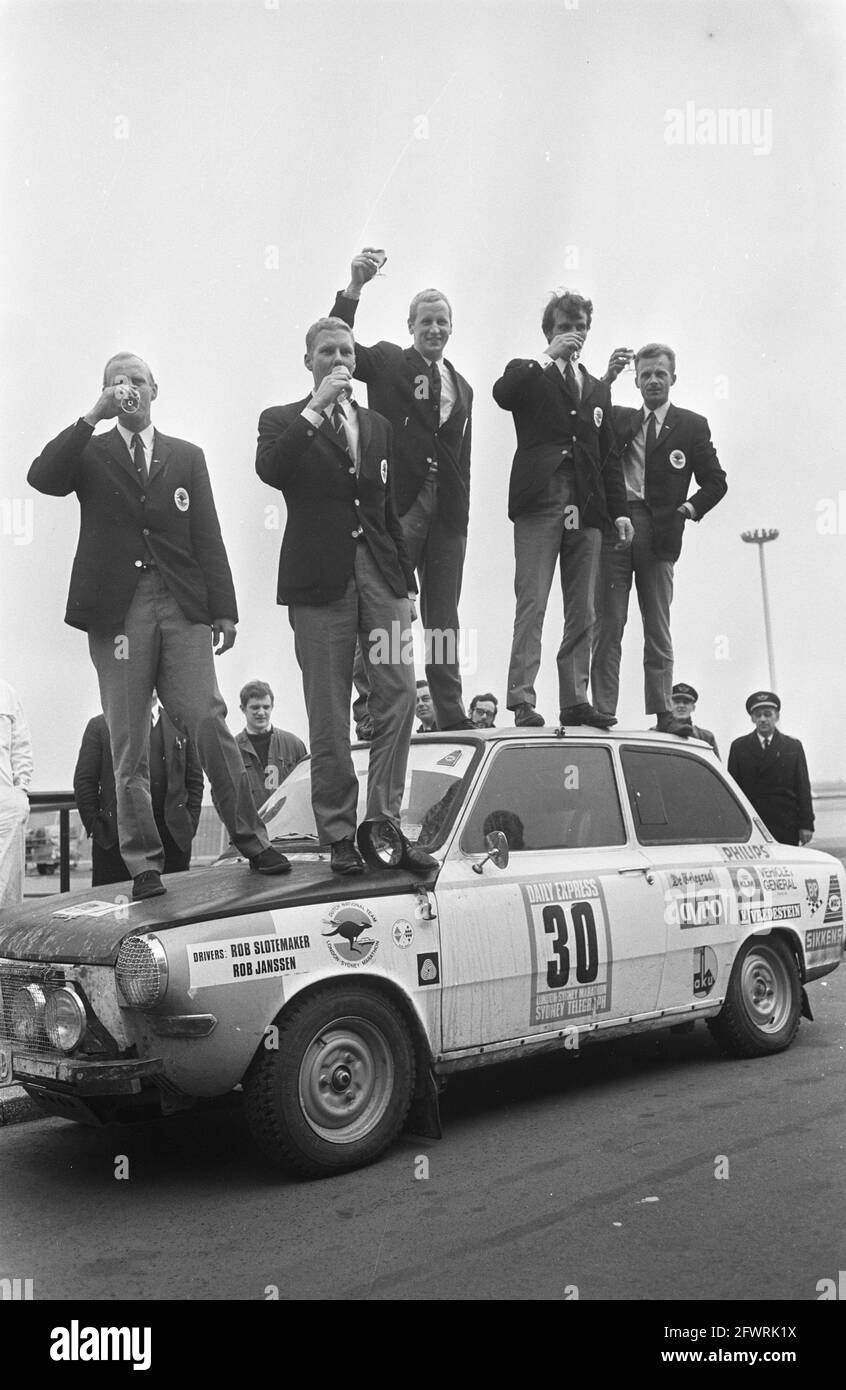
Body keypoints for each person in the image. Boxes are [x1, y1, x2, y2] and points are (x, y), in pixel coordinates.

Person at [28, 351, 291, 900]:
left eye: (138, 380)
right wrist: (90, 416)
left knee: (208, 719)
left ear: (155, 389)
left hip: (180, 601)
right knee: (127, 738)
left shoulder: (186, 456)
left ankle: (251, 837)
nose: (129, 389)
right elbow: (43, 477)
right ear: (107, 393)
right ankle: (143, 863)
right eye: (117, 383)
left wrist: (224, 608)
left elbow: (208, 534)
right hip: (119, 611)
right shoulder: (92, 452)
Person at [255, 316, 437, 876]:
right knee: (328, 710)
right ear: (308, 360)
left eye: (347, 352)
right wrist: (315, 411)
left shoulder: (377, 425)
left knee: (400, 692)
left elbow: (385, 509)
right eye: (327, 351)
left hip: (380, 576)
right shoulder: (283, 420)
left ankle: (382, 825)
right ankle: (338, 833)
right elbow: (272, 470)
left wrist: (405, 583)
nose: (340, 359)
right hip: (319, 582)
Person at [329, 251, 474, 733]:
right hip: (399, 504)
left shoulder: (463, 386)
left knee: (444, 619)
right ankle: (373, 710)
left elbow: (462, 459)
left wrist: (462, 512)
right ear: (410, 326)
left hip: (447, 514)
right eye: (425, 321)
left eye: (442, 321)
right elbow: (340, 341)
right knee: (385, 607)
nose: (434, 329)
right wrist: (354, 288)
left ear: (452, 328)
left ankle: (450, 712)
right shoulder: (391, 361)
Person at [493, 289, 633, 729]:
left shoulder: (595, 387)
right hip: (541, 498)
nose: (574, 335)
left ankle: (575, 698)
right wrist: (548, 356)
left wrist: (620, 510)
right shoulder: (528, 371)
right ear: (549, 332)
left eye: (580, 327)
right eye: (564, 327)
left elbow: (608, 452)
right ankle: (521, 698)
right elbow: (504, 394)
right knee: (532, 599)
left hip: (586, 503)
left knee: (583, 608)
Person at [592, 343, 727, 733]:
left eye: (660, 374)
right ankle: (603, 709)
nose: (653, 380)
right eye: (646, 374)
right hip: (618, 526)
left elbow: (716, 481)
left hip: (660, 530)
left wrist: (688, 509)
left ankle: (664, 710)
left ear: (673, 378)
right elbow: (589, 415)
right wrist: (607, 377)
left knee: (657, 623)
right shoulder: (619, 419)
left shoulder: (691, 425)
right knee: (609, 622)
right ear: (636, 380)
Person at [74, 697, 203, 886]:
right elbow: (85, 781)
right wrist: (97, 828)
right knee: (116, 911)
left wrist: (189, 824)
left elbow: (195, 780)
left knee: (173, 910)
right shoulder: (100, 726)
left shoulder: (181, 725)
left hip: (172, 841)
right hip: (116, 842)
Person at [727, 692, 814, 845]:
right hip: (753, 825)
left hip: (786, 824)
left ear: (777, 716)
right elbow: (733, 789)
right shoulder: (739, 747)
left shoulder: (792, 746)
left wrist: (806, 824)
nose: (763, 719)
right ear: (752, 718)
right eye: (758, 715)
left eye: (767, 714)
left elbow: (803, 788)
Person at [235, 680, 307, 815]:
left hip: (287, 830)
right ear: (243, 708)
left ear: (272, 706)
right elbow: (220, 793)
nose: (261, 712)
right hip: (250, 832)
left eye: (266, 707)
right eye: (255, 707)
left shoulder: (294, 744)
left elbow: (306, 788)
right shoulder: (232, 750)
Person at [0, 678, 33, 907]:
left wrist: (21, 789)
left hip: (5, 800)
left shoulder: (6, 693)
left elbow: (21, 745)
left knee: (8, 881)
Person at [653, 683, 720, 755]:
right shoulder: (656, 733)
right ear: (669, 706)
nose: (681, 706)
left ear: (693, 708)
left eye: (686, 703)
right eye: (677, 702)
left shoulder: (706, 737)